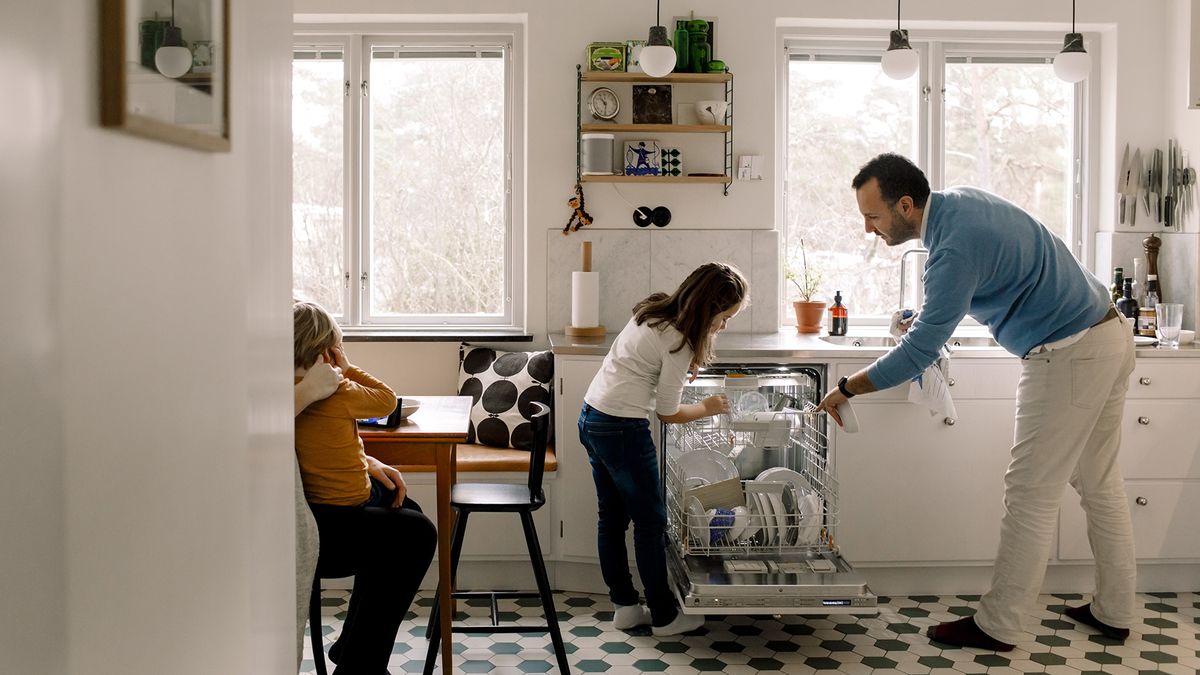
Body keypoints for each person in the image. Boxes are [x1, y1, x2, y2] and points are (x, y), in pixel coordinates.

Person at [816, 153, 1137, 651]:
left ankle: (998, 625)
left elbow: (921, 351)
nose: (867, 228)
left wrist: (848, 387)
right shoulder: (961, 204)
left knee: (1030, 493)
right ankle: (1115, 610)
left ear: (905, 205)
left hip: (1069, 351)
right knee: (1100, 483)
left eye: (873, 216)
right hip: (1108, 335)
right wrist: (921, 317)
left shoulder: (953, 249)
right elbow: (973, 289)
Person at [578, 262, 748, 636]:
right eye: (724, 317)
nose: (724, 325)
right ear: (707, 308)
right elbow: (668, 413)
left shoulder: (654, 309)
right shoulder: (679, 342)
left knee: (612, 519)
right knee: (650, 524)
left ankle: (625, 607)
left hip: (593, 416)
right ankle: (665, 616)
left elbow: (645, 362)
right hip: (622, 427)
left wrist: (681, 369)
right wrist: (708, 407)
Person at [294, 301, 437, 674]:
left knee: (406, 509)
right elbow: (388, 400)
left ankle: (355, 652)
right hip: (336, 518)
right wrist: (347, 368)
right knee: (417, 531)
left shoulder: (286, 389)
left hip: (321, 505)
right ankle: (360, 663)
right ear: (326, 351)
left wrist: (369, 463)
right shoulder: (336, 390)